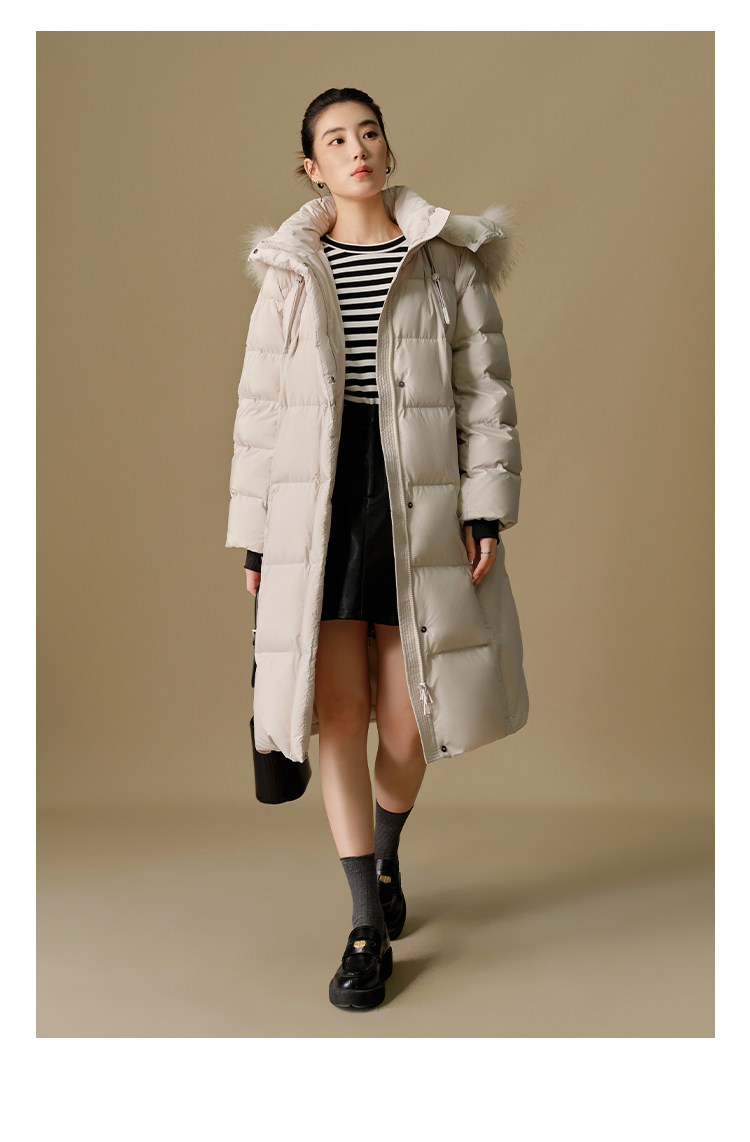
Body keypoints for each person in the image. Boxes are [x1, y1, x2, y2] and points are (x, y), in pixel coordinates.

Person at [226, 87, 529, 1010]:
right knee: (341, 713)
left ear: (387, 150)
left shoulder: (445, 260)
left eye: (368, 133)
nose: (356, 148)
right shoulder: (290, 271)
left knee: (408, 719)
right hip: (313, 505)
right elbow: (260, 413)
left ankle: (386, 855)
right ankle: (366, 922)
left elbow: (487, 395)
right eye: (334, 140)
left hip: (414, 496)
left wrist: (485, 510)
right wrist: (254, 539)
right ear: (311, 168)